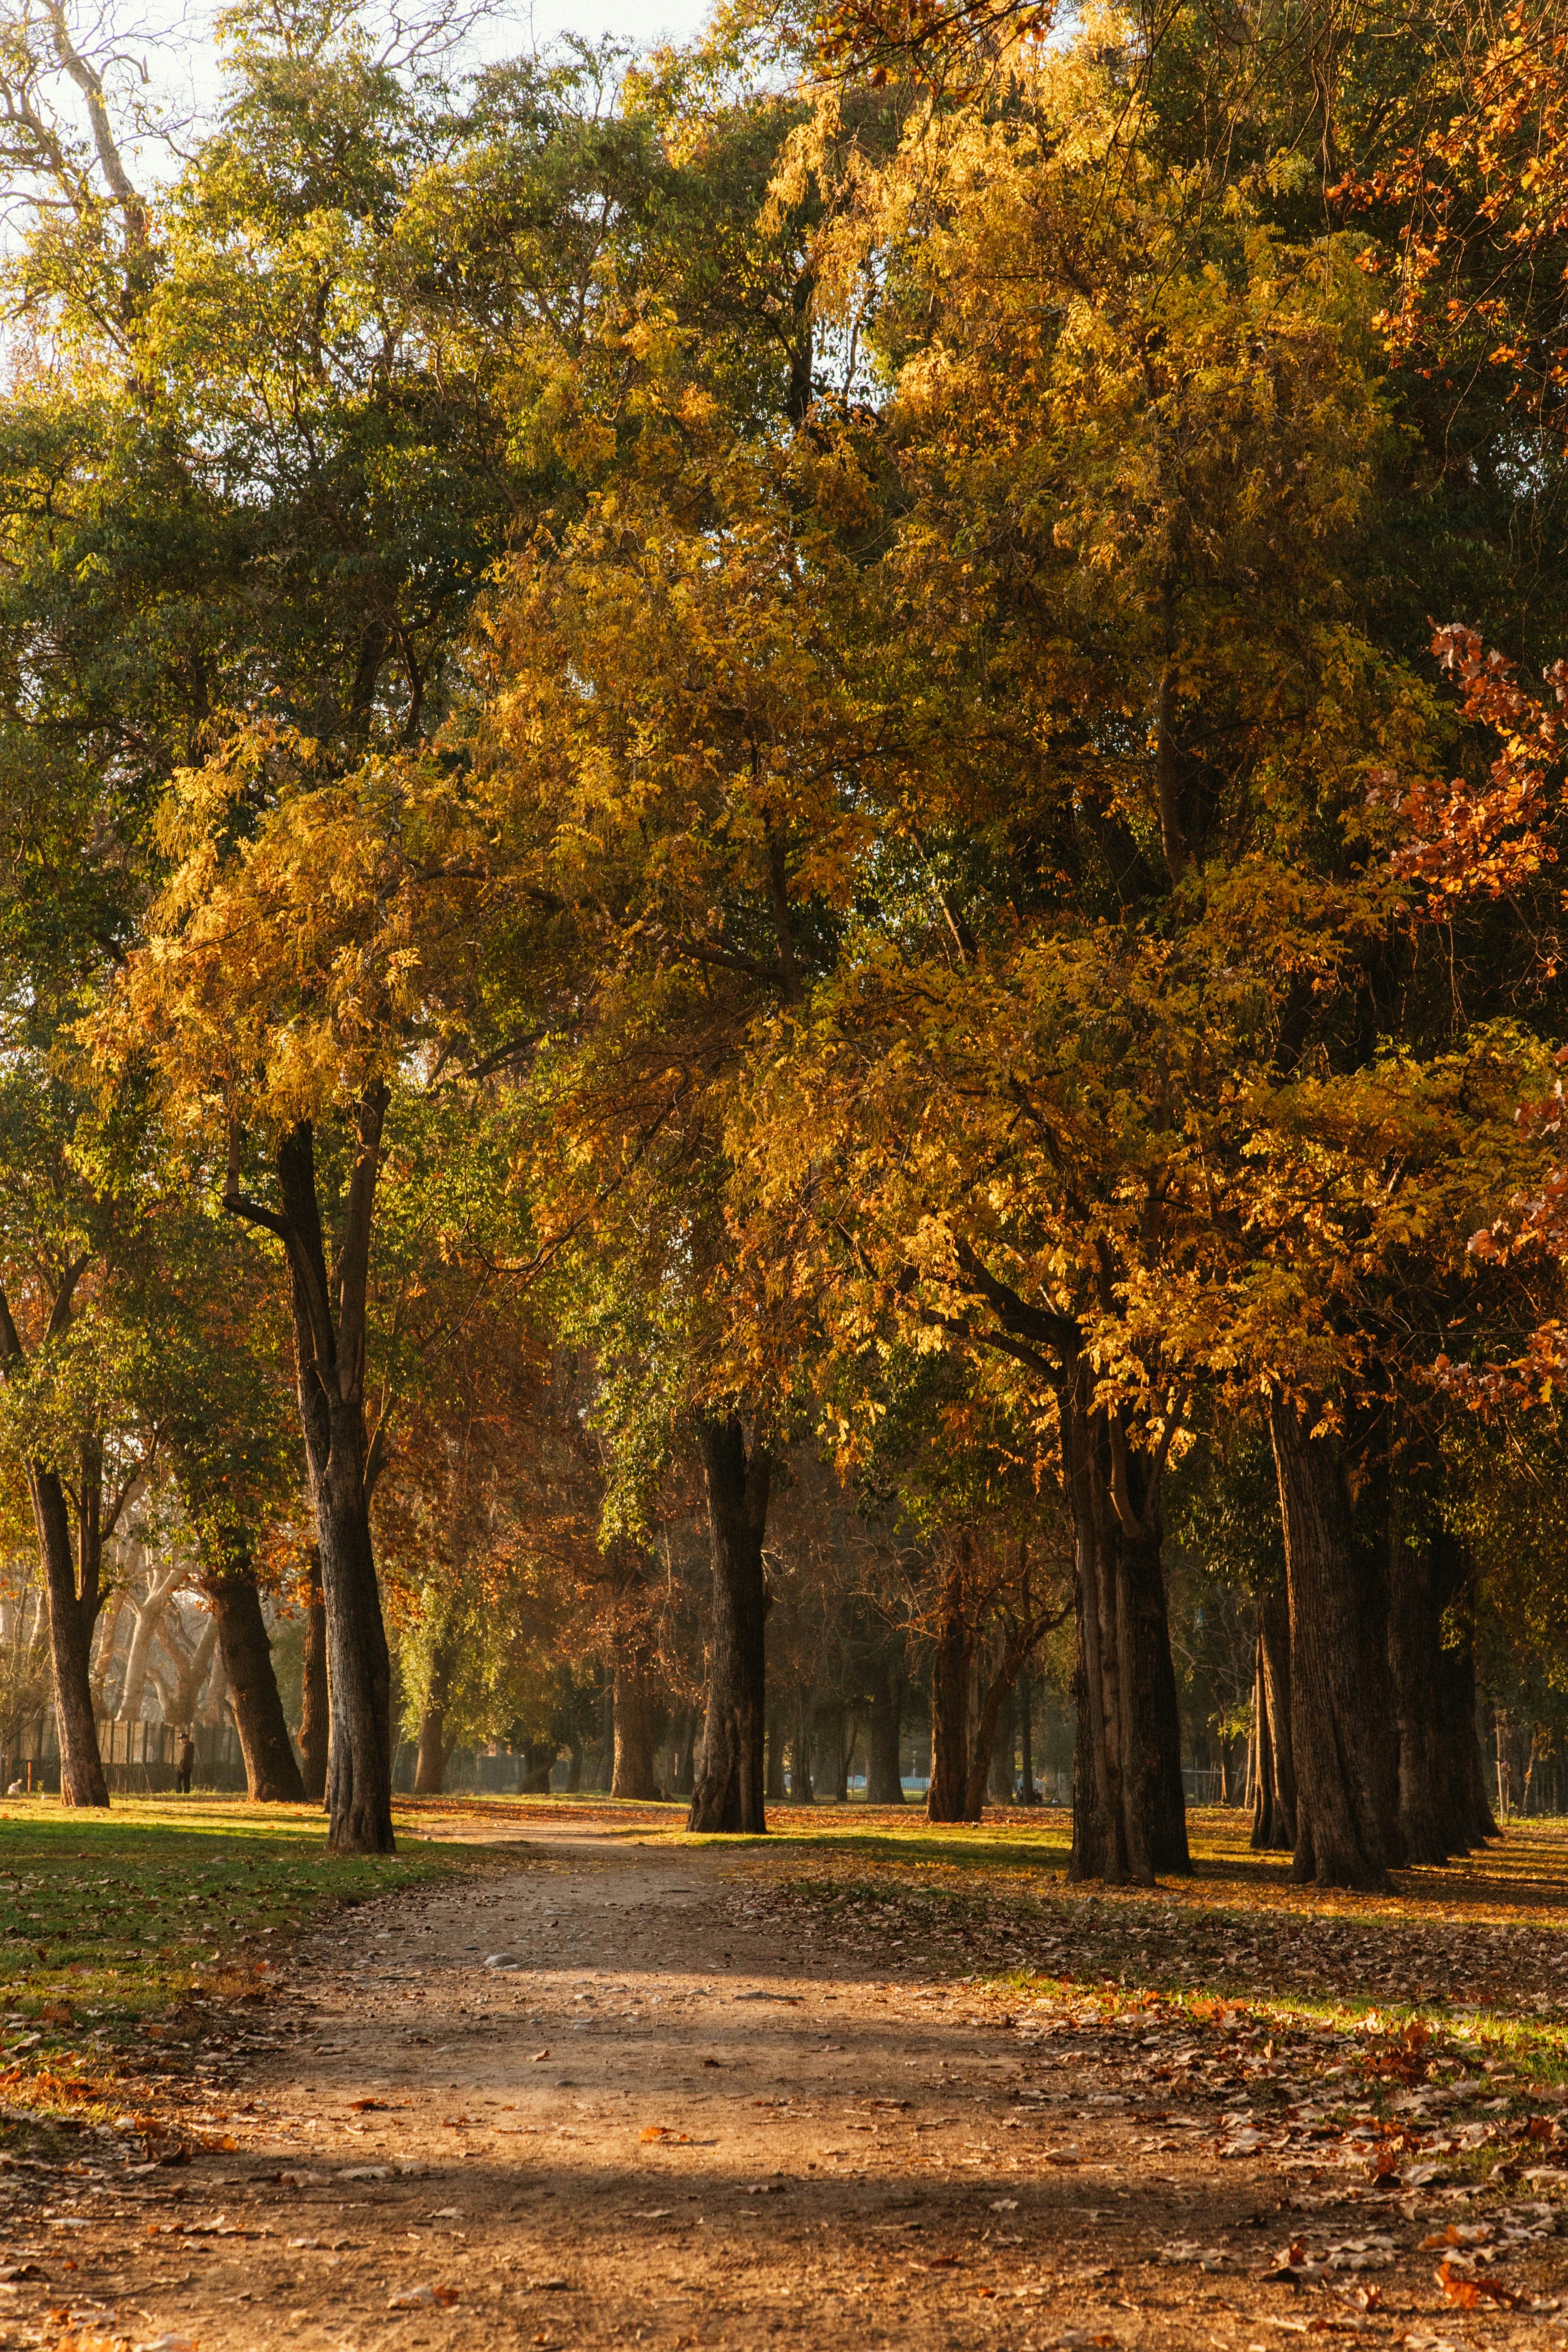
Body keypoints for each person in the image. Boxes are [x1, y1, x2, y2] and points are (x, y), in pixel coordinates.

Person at [176, 1732, 196, 1796]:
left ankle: (180, 1793)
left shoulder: (187, 1747)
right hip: (189, 1767)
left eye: (182, 1739)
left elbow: (185, 1758)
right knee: (187, 1781)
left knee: (178, 1779)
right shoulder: (191, 1746)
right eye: (180, 1739)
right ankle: (186, 1794)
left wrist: (182, 1768)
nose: (181, 1740)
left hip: (185, 1767)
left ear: (186, 1739)